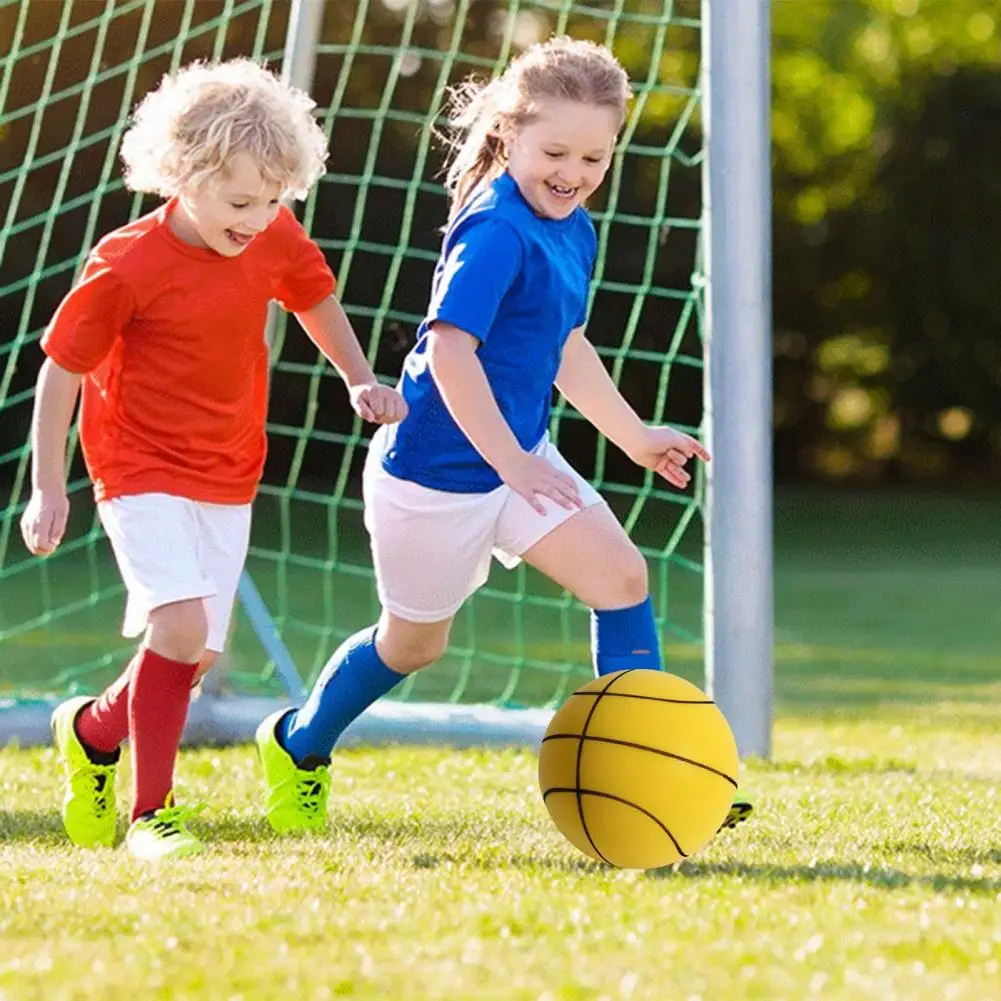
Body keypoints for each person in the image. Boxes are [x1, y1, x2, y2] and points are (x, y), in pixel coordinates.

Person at [255, 36, 751, 835]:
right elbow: (450, 352)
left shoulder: (572, 224)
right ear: (509, 134)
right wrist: (512, 464)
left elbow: (564, 343)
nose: (573, 171)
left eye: (593, 155)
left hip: (517, 461)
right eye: (553, 150)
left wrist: (630, 435)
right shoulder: (494, 227)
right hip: (435, 477)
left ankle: (650, 771)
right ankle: (298, 743)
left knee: (622, 578)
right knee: (412, 645)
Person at [19, 58, 407, 860]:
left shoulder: (272, 233)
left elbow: (312, 295)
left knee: (192, 654)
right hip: (135, 464)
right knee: (180, 624)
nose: (260, 217)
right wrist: (47, 487)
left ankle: (92, 731)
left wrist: (360, 377)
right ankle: (149, 816)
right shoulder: (126, 264)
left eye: (274, 199)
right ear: (184, 175)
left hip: (229, 467)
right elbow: (60, 370)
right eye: (240, 200)